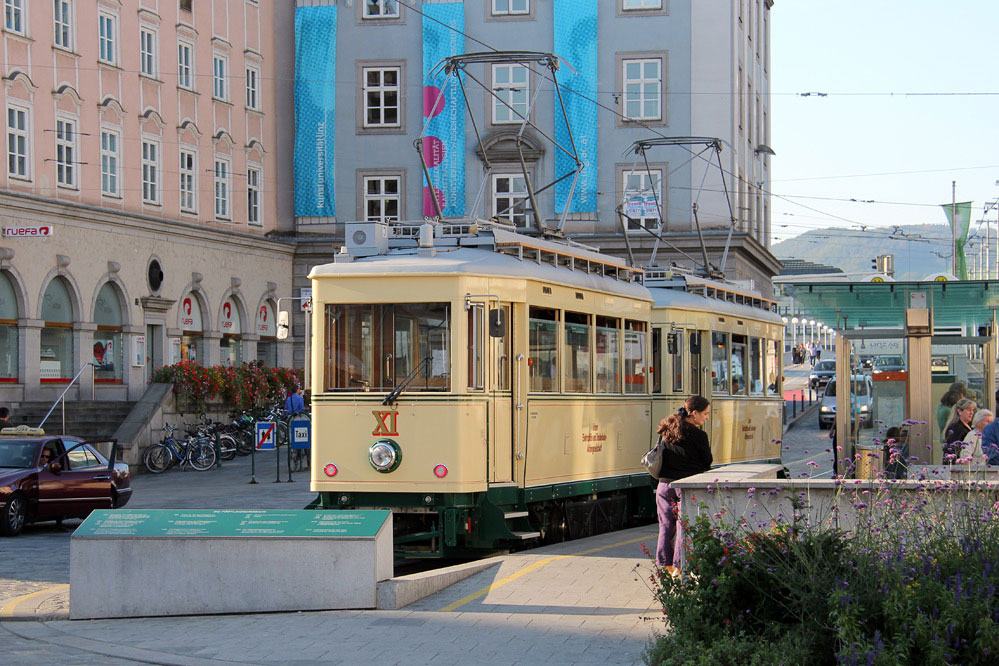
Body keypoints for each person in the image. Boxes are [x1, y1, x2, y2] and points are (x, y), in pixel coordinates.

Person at [654, 396, 712, 576]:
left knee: (665, 527)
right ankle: (679, 568)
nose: (706, 418)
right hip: (685, 486)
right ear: (694, 413)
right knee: (683, 526)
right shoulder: (699, 435)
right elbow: (707, 461)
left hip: (664, 486)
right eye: (705, 414)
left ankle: (666, 567)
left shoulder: (668, 430)